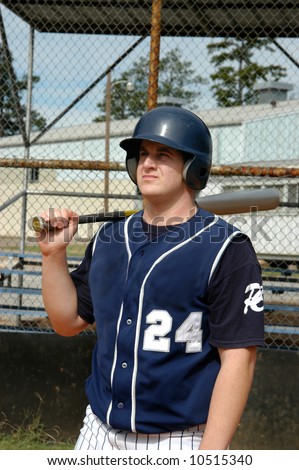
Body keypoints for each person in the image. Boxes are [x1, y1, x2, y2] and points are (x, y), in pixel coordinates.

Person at [36, 106, 264, 450]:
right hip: (98, 430)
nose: (147, 163)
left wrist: (210, 455)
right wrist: (52, 256)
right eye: (142, 154)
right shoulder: (110, 240)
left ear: (192, 166)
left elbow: (239, 360)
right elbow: (67, 322)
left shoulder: (226, 249)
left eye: (163, 154)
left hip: (179, 438)